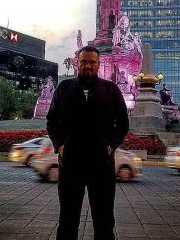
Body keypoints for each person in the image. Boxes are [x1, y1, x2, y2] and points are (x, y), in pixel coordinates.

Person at [46, 45, 129, 240]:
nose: (88, 66)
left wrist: (111, 145)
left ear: (99, 64)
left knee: (104, 221)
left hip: (101, 165)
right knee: (67, 220)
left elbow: (123, 123)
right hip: (70, 165)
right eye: (84, 62)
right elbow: (51, 120)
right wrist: (59, 145)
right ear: (77, 63)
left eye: (92, 62)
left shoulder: (111, 90)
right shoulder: (64, 88)